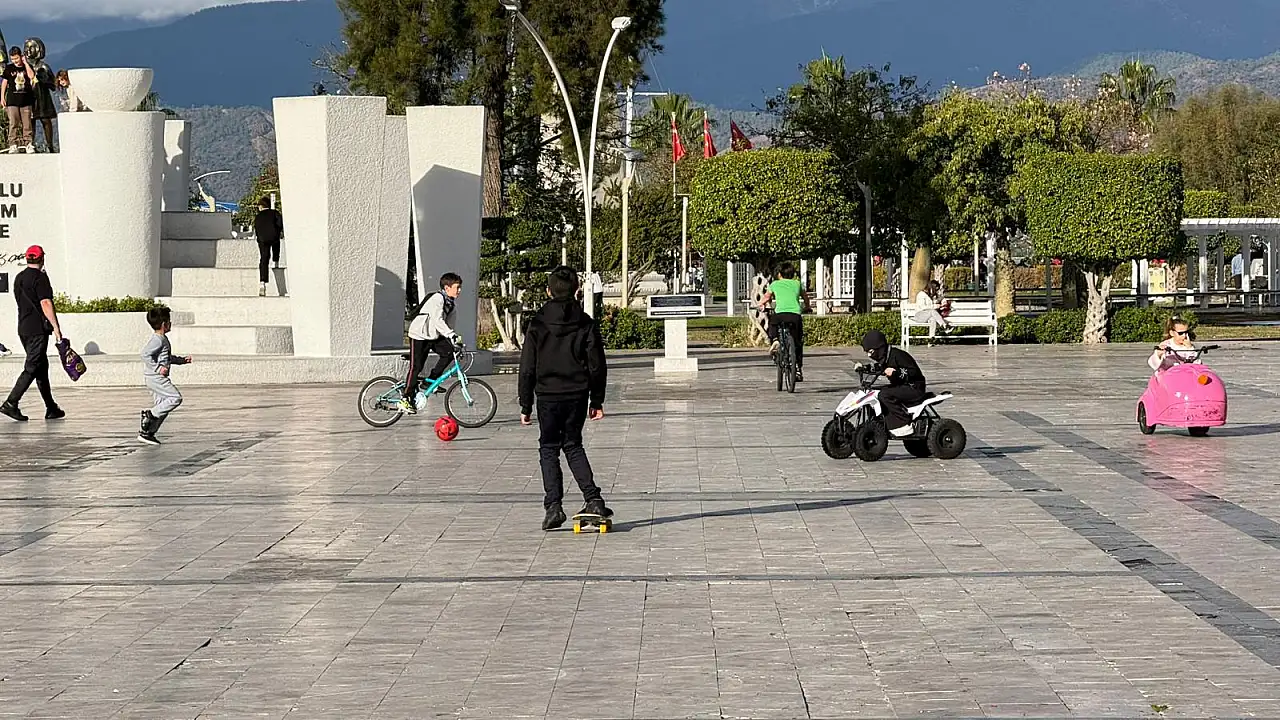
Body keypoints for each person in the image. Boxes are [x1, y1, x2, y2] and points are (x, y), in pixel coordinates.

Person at [519, 265, 610, 531]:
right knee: (572, 444)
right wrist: (597, 400)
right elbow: (597, 365)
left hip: (547, 394)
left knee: (548, 447)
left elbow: (527, 367)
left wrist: (525, 404)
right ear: (577, 291)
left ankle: (553, 506)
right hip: (577, 394)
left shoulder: (537, 324)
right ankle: (593, 499)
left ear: (548, 291)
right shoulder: (585, 323)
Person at [1, 245, 64, 422]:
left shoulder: (19, 278)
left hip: (23, 328)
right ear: (42, 258)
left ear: (27, 258)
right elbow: (45, 303)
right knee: (31, 368)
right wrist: (56, 328)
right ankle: (11, 403)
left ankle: (51, 407)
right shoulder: (40, 278)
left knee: (40, 367)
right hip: (38, 330)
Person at [401, 273, 463, 413]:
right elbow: (437, 320)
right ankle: (405, 398)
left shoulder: (452, 304)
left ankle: (430, 381)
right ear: (447, 288)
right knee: (416, 367)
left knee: (449, 353)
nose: (459, 290)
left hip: (433, 336)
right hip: (419, 335)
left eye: (460, 287)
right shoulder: (437, 298)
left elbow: (449, 326)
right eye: (457, 287)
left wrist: (455, 340)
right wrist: (450, 334)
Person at [860, 329, 926, 439]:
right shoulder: (885, 357)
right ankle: (878, 422)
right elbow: (879, 367)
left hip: (914, 387)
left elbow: (913, 372)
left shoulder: (898, 355)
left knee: (884, 395)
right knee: (874, 393)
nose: (869, 355)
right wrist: (864, 368)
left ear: (879, 349)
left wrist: (897, 372)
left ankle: (903, 422)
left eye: (871, 352)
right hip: (901, 386)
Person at [139, 307, 191, 445]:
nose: (170, 323)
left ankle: (148, 433)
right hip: (156, 378)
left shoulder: (162, 339)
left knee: (162, 406)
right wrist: (157, 369)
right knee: (175, 398)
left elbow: (166, 358)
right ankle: (149, 415)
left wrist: (181, 360)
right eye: (169, 321)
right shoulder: (158, 340)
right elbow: (145, 354)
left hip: (153, 378)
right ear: (164, 324)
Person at [760, 262, 810, 381]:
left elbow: (766, 297)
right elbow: (805, 297)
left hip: (780, 315)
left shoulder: (775, 284)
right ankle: (797, 368)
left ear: (779, 274)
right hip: (795, 315)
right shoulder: (797, 284)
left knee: (772, 322)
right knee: (798, 342)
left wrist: (761, 304)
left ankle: (776, 340)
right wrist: (807, 307)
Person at [2, 47, 36, 154]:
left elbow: (31, 76)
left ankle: (28, 143)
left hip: (26, 100)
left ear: (21, 56)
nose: (15, 61)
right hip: (12, 100)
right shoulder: (9, 68)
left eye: (16, 58)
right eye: (13, 59)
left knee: (27, 123)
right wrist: (2, 97)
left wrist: (25, 63)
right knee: (13, 123)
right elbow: (4, 82)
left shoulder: (27, 67)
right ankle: (13, 144)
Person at [252, 197, 284, 296]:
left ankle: (262, 282)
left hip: (262, 239)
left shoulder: (258, 216)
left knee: (264, 259)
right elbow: (280, 224)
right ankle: (276, 261)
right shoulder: (275, 213)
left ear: (261, 206)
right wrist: (277, 232)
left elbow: (256, 229)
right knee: (276, 243)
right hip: (273, 237)